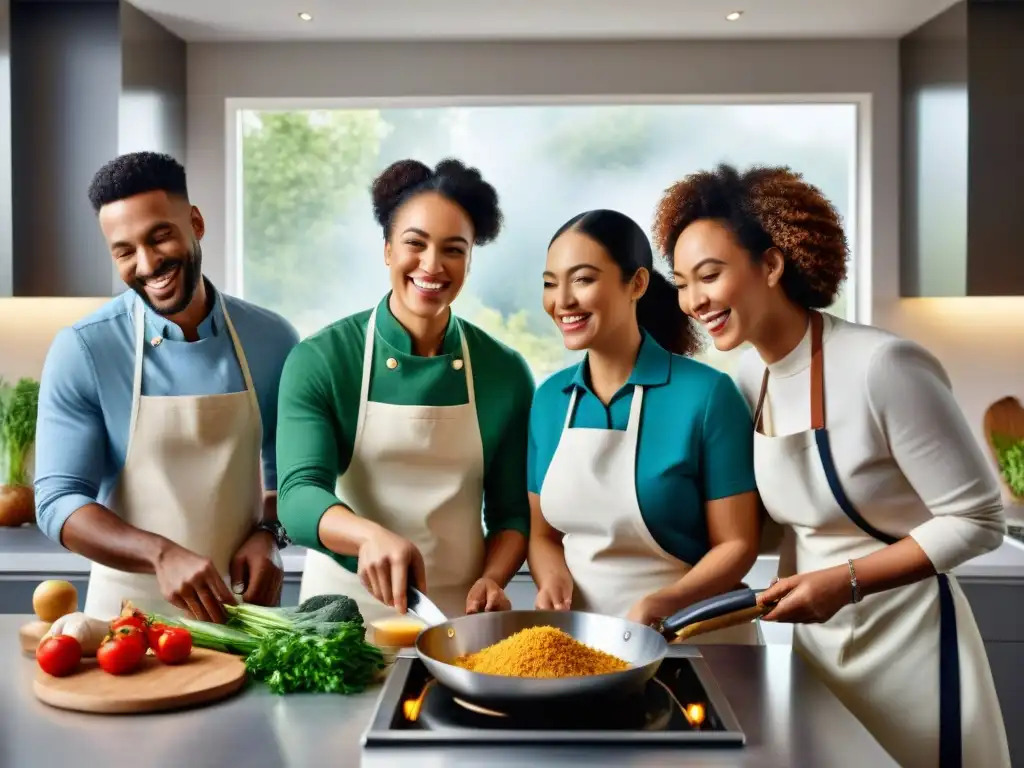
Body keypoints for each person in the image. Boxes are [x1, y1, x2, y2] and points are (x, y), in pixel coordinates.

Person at [656, 162, 1010, 767]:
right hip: (817, 647)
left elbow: (978, 520)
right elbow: (769, 521)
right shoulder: (750, 377)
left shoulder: (883, 366)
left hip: (910, 645)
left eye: (709, 275)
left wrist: (844, 582)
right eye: (683, 283)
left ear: (772, 265)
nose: (694, 301)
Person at [33, 151, 300, 623]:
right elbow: (59, 502)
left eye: (160, 237)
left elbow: (290, 479)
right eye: (124, 251)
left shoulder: (272, 339)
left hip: (246, 617)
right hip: (125, 623)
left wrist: (269, 534)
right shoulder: (85, 349)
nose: (147, 263)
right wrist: (160, 554)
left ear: (196, 223)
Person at [276, 158, 535, 627]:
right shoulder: (322, 360)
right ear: (387, 250)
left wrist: (493, 578)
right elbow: (297, 496)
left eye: (453, 249)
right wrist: (367, 537)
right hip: (338, 618)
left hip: (456, 620)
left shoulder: (504, 372)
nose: (432, 265)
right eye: (415, 243)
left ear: (470, 260)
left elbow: (512, 516)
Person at [527, 209, 763, 644]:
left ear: (636, 283)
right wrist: (552, 577)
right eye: (550, 283)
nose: (562, 300)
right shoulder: (549, 401)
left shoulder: (707, 395)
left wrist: (665, 602)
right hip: (582, 647)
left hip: (693, 640)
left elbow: (738, 544)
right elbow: (543, 536)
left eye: (582, 279)